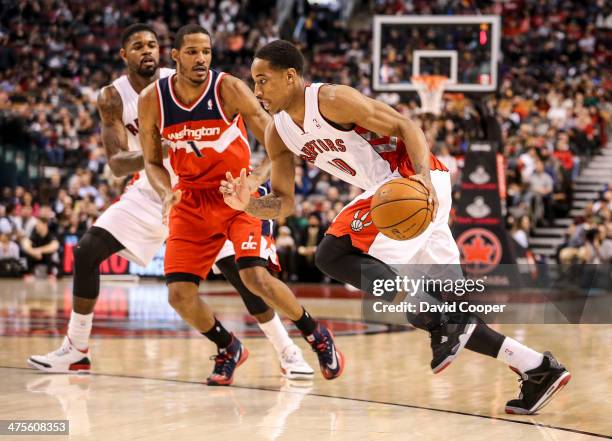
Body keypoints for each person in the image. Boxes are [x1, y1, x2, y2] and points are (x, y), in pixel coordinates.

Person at [221, 40, 570, 414]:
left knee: (333, 252)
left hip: (408, 184)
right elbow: (286, 202)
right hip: (404, 201)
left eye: (263, 80)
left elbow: (406, 125)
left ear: (290, 76)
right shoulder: (278, 133)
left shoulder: (331, 99)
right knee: (441, 312)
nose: (256, 91)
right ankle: (538, 368)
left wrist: (420, 178)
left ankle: (451, 324)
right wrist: (251, 205)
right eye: (253, 83)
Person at [28, 24, 313, 382]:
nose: (147, 51)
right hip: (154, 191)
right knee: (87, 252)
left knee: (245, 277)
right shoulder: (113, 97)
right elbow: (116, 163)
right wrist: (157, 151)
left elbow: (257, 127)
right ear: (124, 55)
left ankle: (288, 351)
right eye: (137, 46)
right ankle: (77, 349)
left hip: (205, 191)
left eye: (152, 45)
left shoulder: (185, 81)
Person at [138, 25, 342, 385]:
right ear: (175, 56)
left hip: (236, 195)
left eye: (206, 51)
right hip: (190, 199)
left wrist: (254, 178)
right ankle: (227, 346)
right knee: (179, 295)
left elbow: (273, 135)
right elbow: (152, 161)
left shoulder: (228, 88)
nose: (201, 59)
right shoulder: (152, 99)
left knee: (255, 277)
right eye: (192, 52)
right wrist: (165, 191)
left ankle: (315, 334)